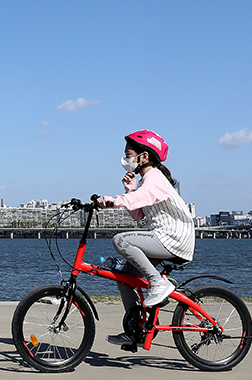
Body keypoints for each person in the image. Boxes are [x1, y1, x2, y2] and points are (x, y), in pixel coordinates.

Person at [97, 130, 195, 347]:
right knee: (122, 277)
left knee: (121, 240)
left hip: (172, 238)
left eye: (129, 154)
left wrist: (113, 200)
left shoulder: (154, 178)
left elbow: (138, 199)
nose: (125, 159)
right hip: (161, 238)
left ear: (144, 156)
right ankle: (135, 331)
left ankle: (157, 283)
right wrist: (130, 189)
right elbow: (139, 214)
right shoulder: (145, 182)